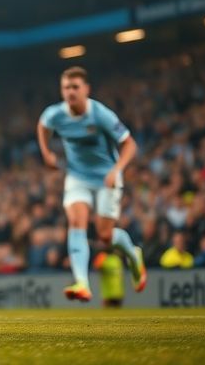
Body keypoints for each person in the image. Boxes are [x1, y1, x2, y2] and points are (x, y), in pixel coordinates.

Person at [37, 66, 146, 302]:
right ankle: (82, 283)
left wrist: (117, 169)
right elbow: (43, 125)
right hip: (77, 177)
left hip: (107, 176)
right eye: (66, 87)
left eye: (75, 87)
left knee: (104, 235)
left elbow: (130, 144)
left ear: (86, 89)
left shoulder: (100, 114)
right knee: (76, 222)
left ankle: (133, 253)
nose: (70, 92)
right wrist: (46, 153)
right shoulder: (55, 114)